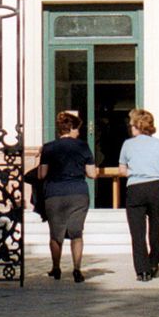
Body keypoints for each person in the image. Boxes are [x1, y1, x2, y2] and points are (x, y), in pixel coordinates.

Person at [37, 109, 97, 282]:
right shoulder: (83, 146)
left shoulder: (48, 147)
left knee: (56, 234)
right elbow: (92, 173)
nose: (78, 132)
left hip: (54, 193)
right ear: (71, 129)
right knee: (76, 233)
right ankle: (77, 269)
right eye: (77, 129)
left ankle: (56, 268)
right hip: (78, 192)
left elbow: (41, 175)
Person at [118, 107, 159, 281]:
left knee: (137, 231)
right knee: (155, 225)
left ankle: (142, 270)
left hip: (135, 188)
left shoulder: (128, 144)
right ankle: (155, 259)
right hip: (156, 187)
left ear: (136, 125)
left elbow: (122, 170)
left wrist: (136, 173)